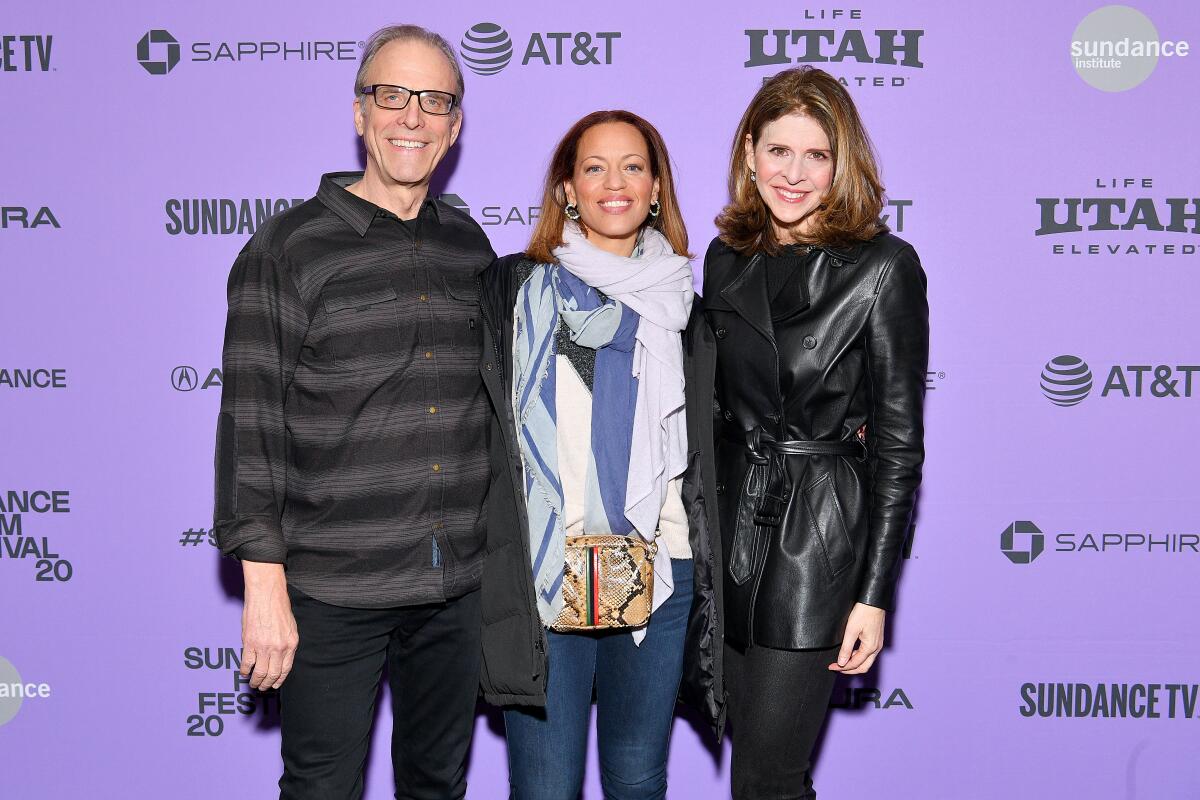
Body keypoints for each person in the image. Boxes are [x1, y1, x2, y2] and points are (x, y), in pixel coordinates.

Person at [212, 24, 494, 800]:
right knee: (322, 790)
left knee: (436, 786)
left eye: (434, 100)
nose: (413, 116)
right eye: (392, 96)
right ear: (360, 113)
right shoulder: (287, 249)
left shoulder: (470, 246)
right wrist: (263, 590)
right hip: (334, 589)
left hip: (456, 584)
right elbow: (251, 427)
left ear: (455, 125)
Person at [683, 66, 929, 798]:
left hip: (818, 540)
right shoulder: (728, 259)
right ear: (749, 153)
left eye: (816, 155)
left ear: (841, 162)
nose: (793, 174)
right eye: (778, 151)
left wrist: (874, 594)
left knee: (768, 776)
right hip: (730, 531)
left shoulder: (885, 269)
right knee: (753, 775)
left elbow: (898, 447)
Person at [477, 110, 705, 800]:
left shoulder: (686, 307)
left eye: (633, 166)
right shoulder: (512, 292)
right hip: (543, 572)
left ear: (657, 187)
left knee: (638, 781)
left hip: (658, 569)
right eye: (594, 168)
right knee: (545, 787)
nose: (615, 183)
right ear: (567, 191)